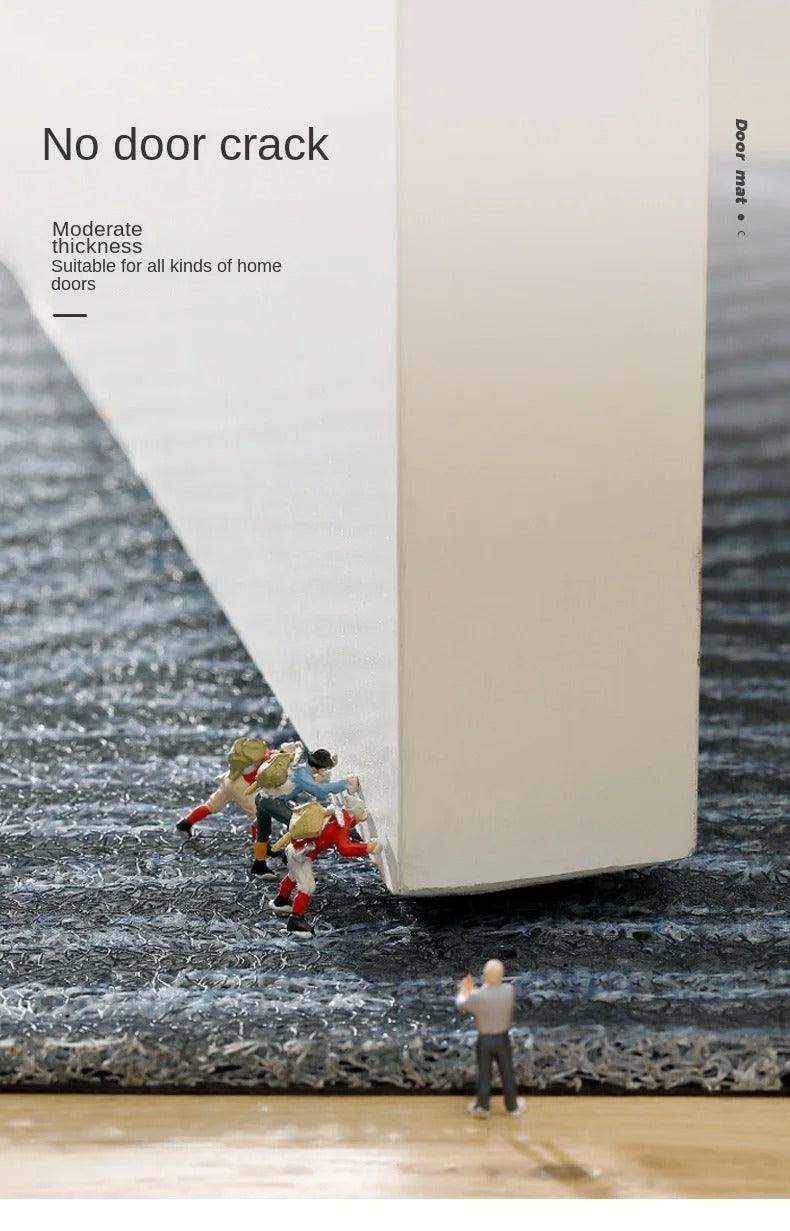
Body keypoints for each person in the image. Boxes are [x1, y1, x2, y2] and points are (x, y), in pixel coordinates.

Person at [269, 799, 377, 939]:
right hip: (301, 856)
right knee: (307, 887)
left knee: (292, 876)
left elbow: (339, 828)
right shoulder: (340, 824)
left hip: (293, 848)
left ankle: (281, 900)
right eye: (361, 811)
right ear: (354, 811)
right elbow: (345, 849)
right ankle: (295, 920)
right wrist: (367, 848)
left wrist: (356, 820)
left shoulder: (335, 814)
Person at [250, 747, 355, 877]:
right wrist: (344, 784)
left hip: (262, 797)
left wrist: (330, 767)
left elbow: (311, 781)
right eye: (325, 768)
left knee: (263, 831)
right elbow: (319, 791)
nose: (325, 771)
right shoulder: (302, 776)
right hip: (273, 802)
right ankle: (290, 861)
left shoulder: (301, 767)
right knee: (298, 826)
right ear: (319, 768)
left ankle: (259, 864)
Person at [455, 959, 525, 1117]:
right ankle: (512, 1107)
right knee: (507, 1073)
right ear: (502, 975)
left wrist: (466, 990)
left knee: (484, 1075)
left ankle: (483, 1106)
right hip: (503, 1039)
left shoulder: (478, 996)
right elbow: (492, 995)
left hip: (485, 1040)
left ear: (485, 975)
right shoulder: (509, 990)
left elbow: (461, 1004)